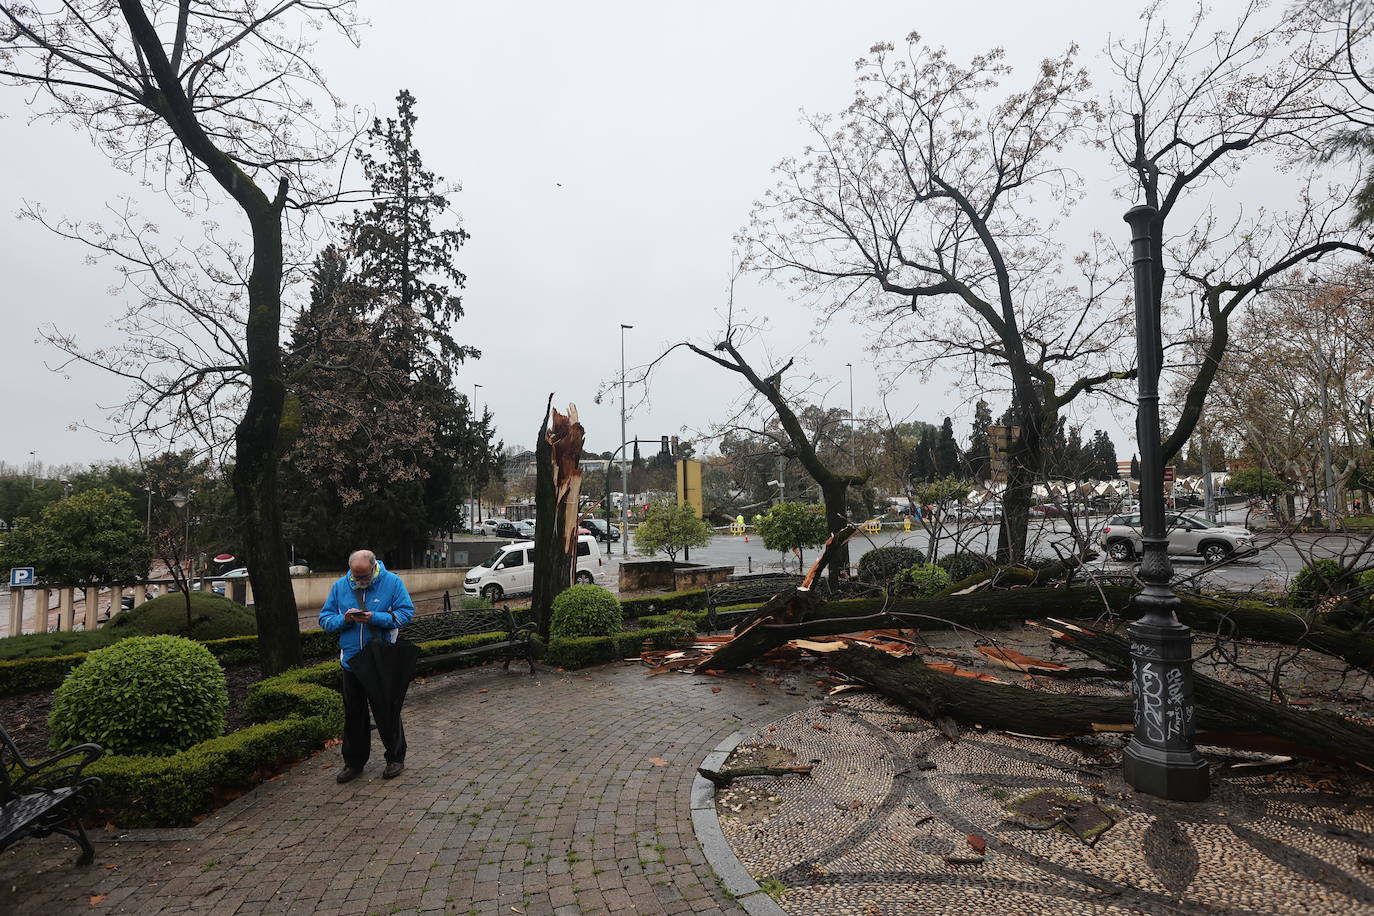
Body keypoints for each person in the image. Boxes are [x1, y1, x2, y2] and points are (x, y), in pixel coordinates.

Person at [319, 549, 415, 783]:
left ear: (374, 568)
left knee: (386, 710)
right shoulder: (341, 586)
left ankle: (395, 757)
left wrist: (376, 618)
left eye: (363, 576)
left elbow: (406, 613)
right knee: (354, 715)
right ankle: (353, 762)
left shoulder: (392, 582)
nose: (359, 581)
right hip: (351, 661)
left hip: (379, 659)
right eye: (355, 576)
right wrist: (345, 619)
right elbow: (324, 619)